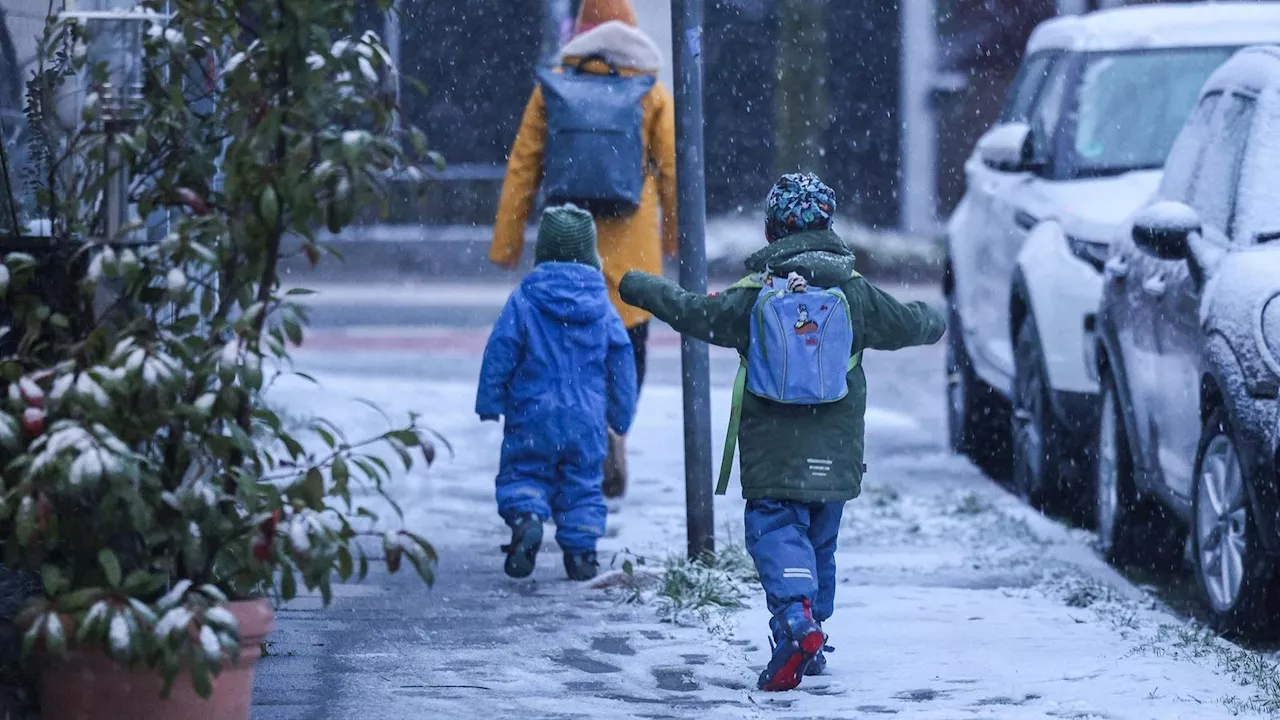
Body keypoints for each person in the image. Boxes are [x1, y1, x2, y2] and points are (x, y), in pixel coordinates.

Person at [618, 174, 945, 690]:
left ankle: (795, 620)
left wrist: (639, 285)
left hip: (773, 457)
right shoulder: (854, 293)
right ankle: (813, 633)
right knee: (821, 541)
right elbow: (908, 324)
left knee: (775, 531)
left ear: (772, 230)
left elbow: (692, 313)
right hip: (835, 455)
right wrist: (936, 318)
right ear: (828, 225)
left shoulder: (754, 296)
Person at [489, 0, 677, 499]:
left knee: (561, 353)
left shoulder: (552, 87)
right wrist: (675, 236)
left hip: (566, 246)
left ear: (581, 32)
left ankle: (564, 446)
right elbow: (674, 170)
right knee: (628, 350)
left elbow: (523, 166)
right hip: (633, 254)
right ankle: (614, 431)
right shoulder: (650, 91)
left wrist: (508, 241)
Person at [476, 204, 638, 582]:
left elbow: (500, 349)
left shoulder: (525, 300)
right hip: (586, 420)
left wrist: (490, 399)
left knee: (524, 472)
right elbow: (622, 361)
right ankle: (581, 553)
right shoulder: (603, 307)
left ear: (543, 253)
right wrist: (620, 414)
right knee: (582, 484)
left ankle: (527, 519)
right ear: (589, 254)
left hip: (531, 413)